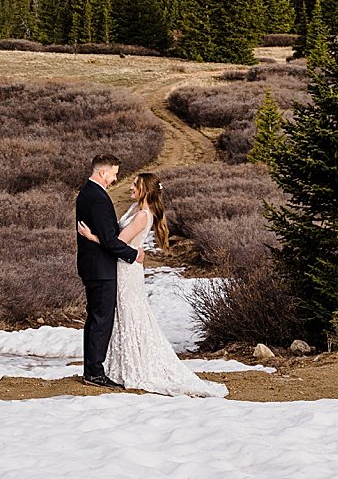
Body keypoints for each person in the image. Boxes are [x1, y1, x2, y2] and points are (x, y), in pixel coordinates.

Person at [77, 170, 227, 397]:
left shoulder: (142, 215)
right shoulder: (133, 210)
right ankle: (121, 366)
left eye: (135, 185)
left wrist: (91, 237)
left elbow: (116, 242)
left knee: (132, 315)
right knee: (123, 316)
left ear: (145, 189)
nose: (130, 188)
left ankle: (138, 365)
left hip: (127, 270)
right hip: (122, 265)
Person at [75, 153, 136, 388]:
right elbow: (110, 240)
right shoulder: (98, 198)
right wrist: (133, 255)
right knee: (102, 320)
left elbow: (104, 235)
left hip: (92, 266)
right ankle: (94, 373)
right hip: (101, 268)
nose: (115, 178)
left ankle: (91, 369)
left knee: (95, 319)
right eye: (114, 173)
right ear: (103, 172)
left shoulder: (86, 193)